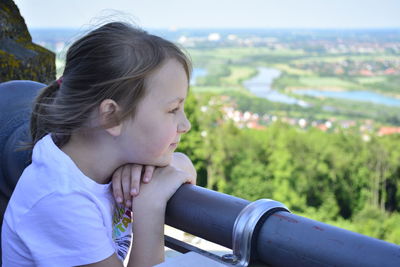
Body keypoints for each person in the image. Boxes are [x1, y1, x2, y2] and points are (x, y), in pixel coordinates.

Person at [2, 21, 196, 267]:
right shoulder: (61, 198)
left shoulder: (96, 163)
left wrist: (173, 166)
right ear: (111, 116)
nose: (185, 124)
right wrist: (150, 207)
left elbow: (182, 169)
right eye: (173, 109)